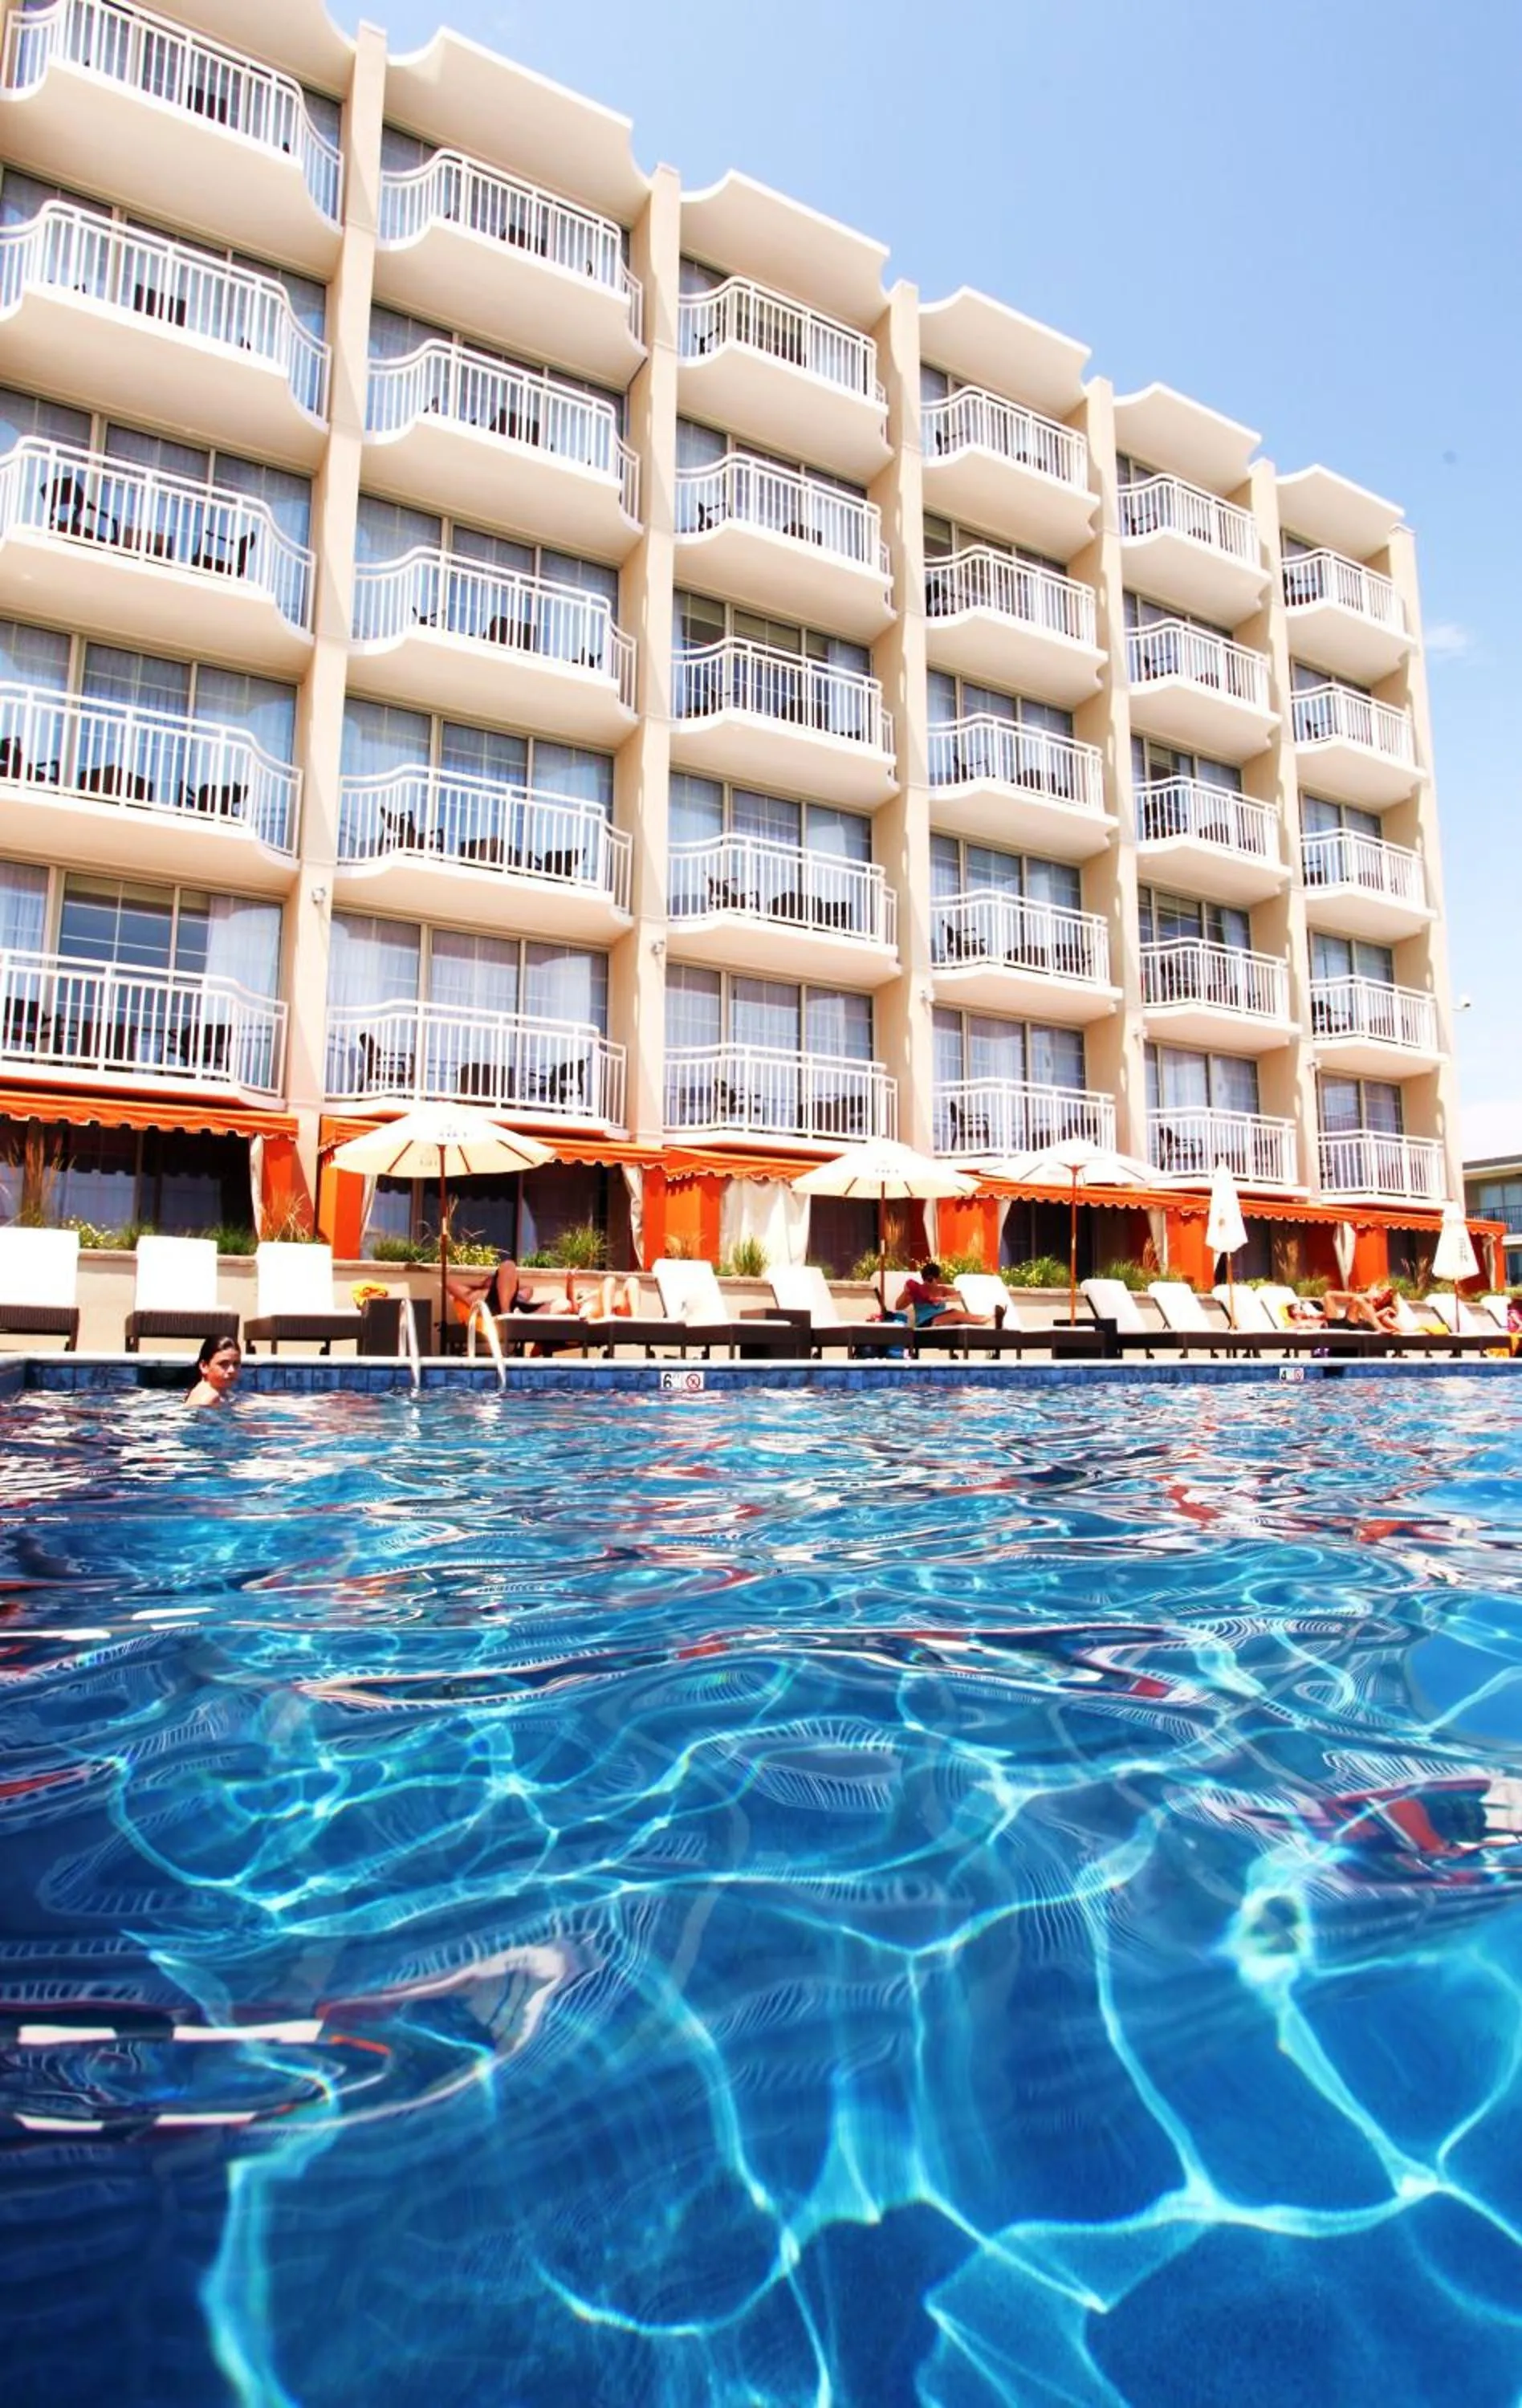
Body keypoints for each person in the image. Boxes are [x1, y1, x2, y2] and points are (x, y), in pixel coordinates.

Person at [894, 1261, 998, 1329]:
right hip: (925, 1323)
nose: (929, 1283)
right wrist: (905, 1292)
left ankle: (986, 1319)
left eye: (931, 1280)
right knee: (955, 1314)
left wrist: (943, 1299)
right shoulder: (918, 1291)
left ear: (938, 1279)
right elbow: (898, 1306)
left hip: (942, 1322)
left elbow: (959, 1296)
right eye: (927, 1280)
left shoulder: (942, 1290)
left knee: (956, 1315)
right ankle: (986, 1319)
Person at [446, 1257, 544, 1323]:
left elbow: (529, 1289)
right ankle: (506, 1315)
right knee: (508, 1265)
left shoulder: (504, 1287)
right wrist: (481, 1284)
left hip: (514, 1303)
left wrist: (497, 1282)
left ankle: (510, 1314)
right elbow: (449, 1284)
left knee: (552, 1306)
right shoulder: (472, 1293)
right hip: (490, 1307)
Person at [558, 1271, 641, 1320]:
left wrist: (591, 1294)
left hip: (614, 1312)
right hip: (597, 1317)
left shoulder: (602, 1298)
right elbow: (571, 1301)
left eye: (587, 1291)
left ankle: (635, 1319)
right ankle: (607, 1317)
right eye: (582, 1293)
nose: (586, 1292)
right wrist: (570, 1281)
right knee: (610, 1280)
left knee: (633, 1281)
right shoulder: (582, 1306)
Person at [186, 1334, 241, 1407]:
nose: (232, 1370)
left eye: (236, 1364)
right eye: (223, 1364)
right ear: (204, 1366)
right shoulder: (210, 1398)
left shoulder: (218, 1393)